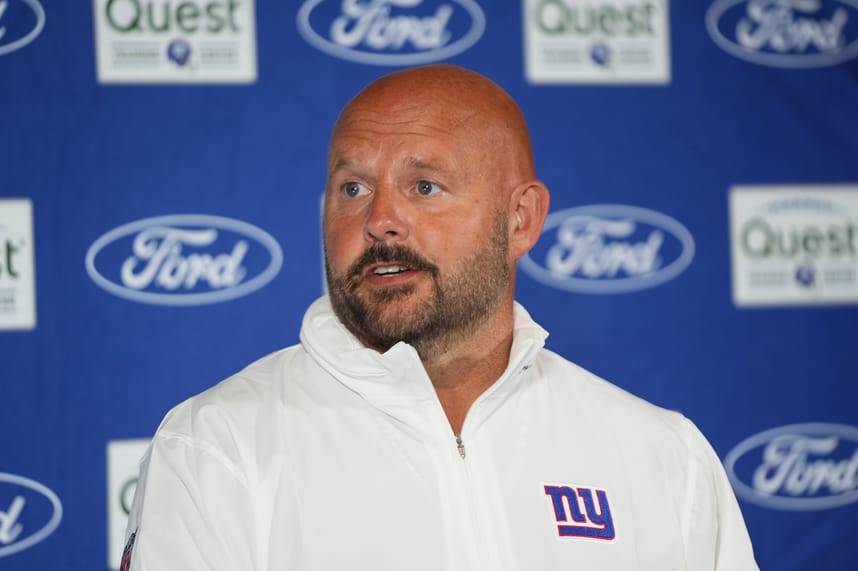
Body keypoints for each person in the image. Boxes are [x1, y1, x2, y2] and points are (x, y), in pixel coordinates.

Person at [123, 64, 758, 570]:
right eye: (353, 188)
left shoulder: (662, 456)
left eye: (424, 186)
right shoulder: (218, 447)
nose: (379, 220)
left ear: (521, 220)